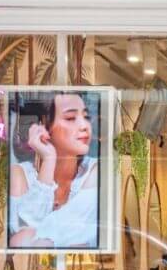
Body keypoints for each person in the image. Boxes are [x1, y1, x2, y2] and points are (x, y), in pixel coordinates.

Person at [8, 92, 99, 248]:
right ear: (44, 126)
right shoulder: (19, 175)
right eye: (71, 118)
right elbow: (22, 242)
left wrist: (35, 237)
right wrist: (49, 160)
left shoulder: (95, 171)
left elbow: (31, 238)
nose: (84, 126)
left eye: (86, 117)